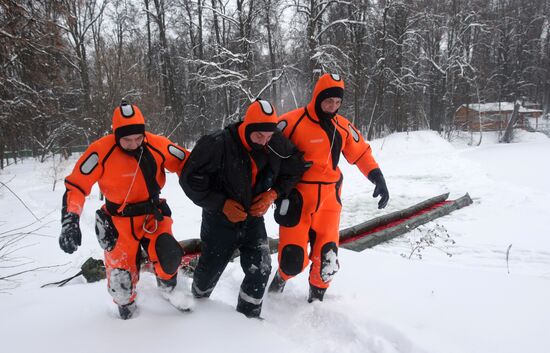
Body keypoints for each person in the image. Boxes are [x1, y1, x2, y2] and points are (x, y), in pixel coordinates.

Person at [59, 102, 190, 319]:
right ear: (115, 134)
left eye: (138, 138)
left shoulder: (156, 144)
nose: (133, 144)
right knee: (121, 282)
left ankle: (169, 290)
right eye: (127, 140)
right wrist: (70, 220)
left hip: (152, 217)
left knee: (169, 256)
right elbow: (76, 185)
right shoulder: (100, 151)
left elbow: (187, 162)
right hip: (118, 223)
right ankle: (126, 308)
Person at [268, 73, 389, 302]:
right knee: (292, 260)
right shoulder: (291, 122)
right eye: (328, 101)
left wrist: (377, 177)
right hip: (297, 200)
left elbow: (361, 152)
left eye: (337, 102)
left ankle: (316, 304)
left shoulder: (342, 126)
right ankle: (277, 286)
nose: (333, 107)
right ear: (317, 97)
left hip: (329, 203)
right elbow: (265, 146)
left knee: (327, 260)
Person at [179, 99, 306, 318]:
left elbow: (295, 167)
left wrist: (273, 194)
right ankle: (195, 315)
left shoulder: (274, 141)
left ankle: (248, 318)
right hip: (219, 221)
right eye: (259, 136)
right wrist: (221, 203)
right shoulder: (217, 144)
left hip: (253, 219)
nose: (264, 142)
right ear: (247, 127)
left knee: (262, 269)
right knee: (208, 274)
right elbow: (190, 180)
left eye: (269, 136)